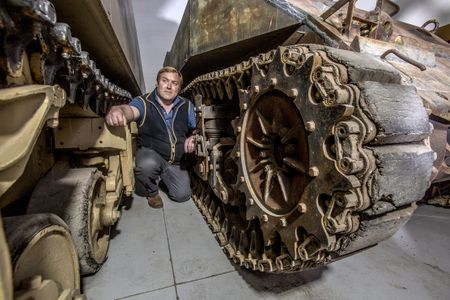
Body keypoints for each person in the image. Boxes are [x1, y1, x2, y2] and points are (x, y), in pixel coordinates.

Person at [106, 66, 196, 208]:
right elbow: (130, 111)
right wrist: (118, 110)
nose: (169, 86)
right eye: (164, 81)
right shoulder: (143, 102)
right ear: (157, 82)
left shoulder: (187, 106)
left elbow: (196, 128)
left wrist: (193, 136)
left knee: (182, 196)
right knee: (146, 165)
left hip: (176, 161)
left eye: (174, 83)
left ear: (179, 87)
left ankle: (164, 178)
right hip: (152, 155)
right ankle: (152, 191)